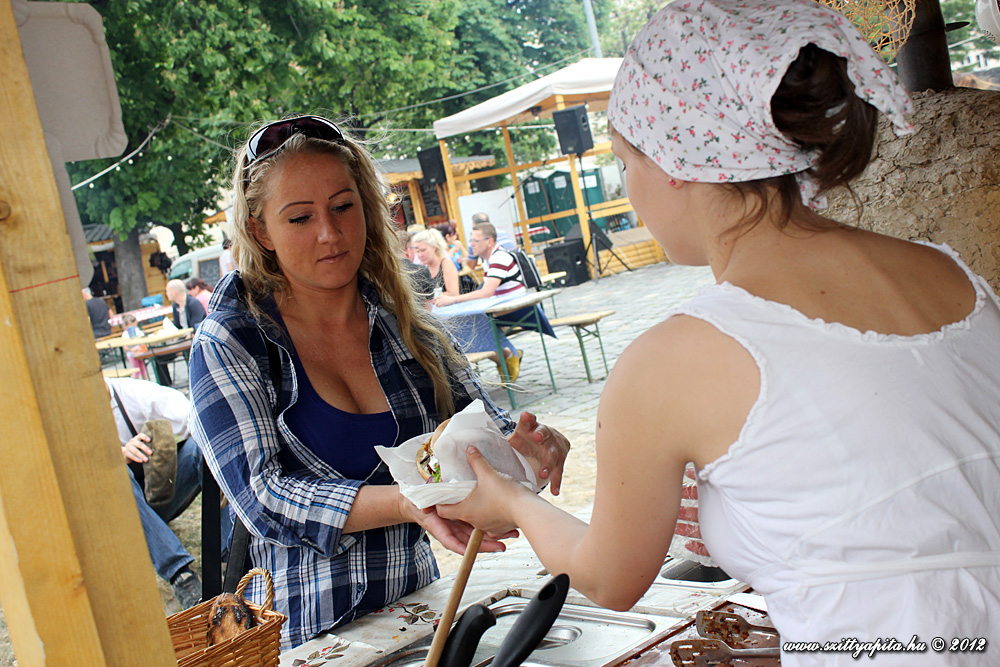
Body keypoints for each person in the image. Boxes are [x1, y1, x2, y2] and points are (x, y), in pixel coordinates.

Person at [440, 2, 1000, 664]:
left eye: (626, 161)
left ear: (676, 158)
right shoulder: (950, 271)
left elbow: (609, 577)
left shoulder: (671, 359)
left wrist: (508, 497)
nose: (631, 189)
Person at [187, 115, 570, 649]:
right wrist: (406, 502)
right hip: (305, 638)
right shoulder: (231, 340)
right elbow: (262, 497)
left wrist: (524, 449)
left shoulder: (399, 318)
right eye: (300, 217)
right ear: (260, 230)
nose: (329, 232)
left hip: (418, 616)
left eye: (343, 207)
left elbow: (480, 429)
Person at [104, 376, 223, 609]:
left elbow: (188, 415)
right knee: (119, 474)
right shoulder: (69, 419)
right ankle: (181, 576)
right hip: (120, 516)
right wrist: (116, 457)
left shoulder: (130, 393)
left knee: (200, 447)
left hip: (157, 498)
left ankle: (226, 551)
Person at [434, 222, 538, 381]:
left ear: (489, 242)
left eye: (475, 241)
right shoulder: (489, 259)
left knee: (469, 324)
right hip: (502, 306)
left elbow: (486, 293)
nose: (471, 244)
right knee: (467, 323)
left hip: (519, 309)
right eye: (471, 240)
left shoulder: (499, 257)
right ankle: (506, 357)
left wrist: (453, 299)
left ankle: (507, 357)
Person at [412, 228, 460, 297]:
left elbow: (453, 293)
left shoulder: (446, 264)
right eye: (417, 251)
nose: (420, 255)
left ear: (433, 247)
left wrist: (429, 298)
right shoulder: (424, 269)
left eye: (423, 250)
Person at [121, 313, 149, 380]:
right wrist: (133, 350)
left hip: (140, 353)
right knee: (136, 371)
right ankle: (137, 383)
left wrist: (142, 348)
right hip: (132, 354)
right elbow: (125, 347)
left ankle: (146, 382)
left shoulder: (138, 331)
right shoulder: (125, 334)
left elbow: (144, 341)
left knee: (143, 370)